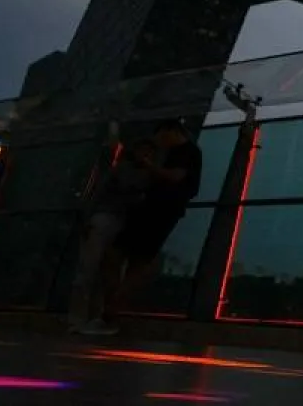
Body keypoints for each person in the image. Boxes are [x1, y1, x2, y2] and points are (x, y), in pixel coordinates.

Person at [101, 119, 203, 332]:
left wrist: (149, 166)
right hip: (153, 209)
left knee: (131, 256)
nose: (160, 143)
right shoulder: (180, 153)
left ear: (171, 132)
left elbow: (176, 176)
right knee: (130, 256)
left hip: (160, 211)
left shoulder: (188, 152)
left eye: (162, 137)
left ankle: (113, 305)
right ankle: (114, 304)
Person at [69, 138, 155, 335]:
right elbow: (115, 190)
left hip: (117, 222)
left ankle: (88, 318)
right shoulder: (126, 171)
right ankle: (81, 318)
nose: (146, 157)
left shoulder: (126, 171)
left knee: (102, 271)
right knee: (91, 269)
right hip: (108, 219)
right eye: (144, 152)